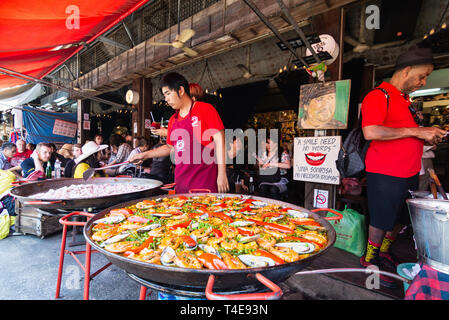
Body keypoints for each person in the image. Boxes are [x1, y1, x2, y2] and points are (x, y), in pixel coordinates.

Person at [360, 47, 447, 288]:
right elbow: (372, 131)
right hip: (385, 171)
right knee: (381, 218)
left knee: (400, 217)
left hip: (410, 170)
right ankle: (370, 259)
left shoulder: (404, 101)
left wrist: (427, 136)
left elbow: (405, 134)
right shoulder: (379, 96)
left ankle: (384, 251)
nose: (423, 81)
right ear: (406, 70)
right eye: (422, 76)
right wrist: (418, 131)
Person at [130, 72, 229, 193]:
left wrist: (222, 174)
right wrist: (144, 155)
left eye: (168, 93)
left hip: (205, 182)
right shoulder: (173, 120)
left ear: (181, 90)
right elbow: (169, 147)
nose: (166, 99)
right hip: (181, 183)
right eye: (164, 95)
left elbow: (220, 140)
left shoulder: (205, 109)